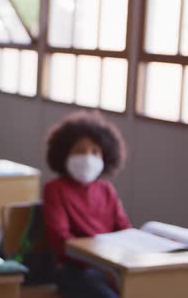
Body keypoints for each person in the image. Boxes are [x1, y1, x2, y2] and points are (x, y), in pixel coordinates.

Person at [43, 111, 131, 298]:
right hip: (73, 269)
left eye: (95, 152)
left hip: (110, 266)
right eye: (79, 150)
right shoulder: (54, 189)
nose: (88, 157)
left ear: (105, 156)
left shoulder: (107, 190)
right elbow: (61, 238)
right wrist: (98, 263)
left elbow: (124, 230)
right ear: (64, 154)